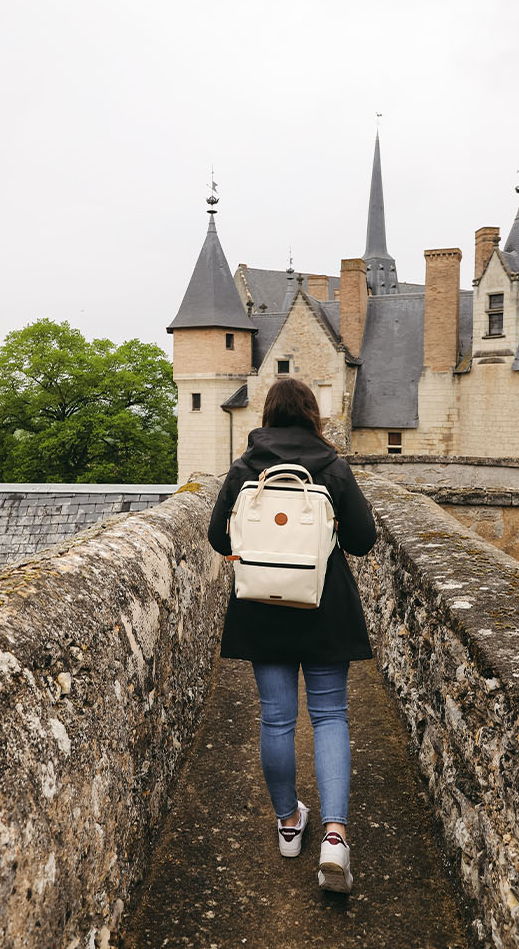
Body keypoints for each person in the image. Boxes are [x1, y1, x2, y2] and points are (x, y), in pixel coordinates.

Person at [206, 378, 377, 894]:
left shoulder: (244, 470)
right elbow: (363, 540)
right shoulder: (332, 467)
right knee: (329, 717)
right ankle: (333, 839)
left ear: (268, 415)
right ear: (311, 416)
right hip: (324, 606)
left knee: (276, 718)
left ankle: (287, 824)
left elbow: (218, 538)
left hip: (261, 607)